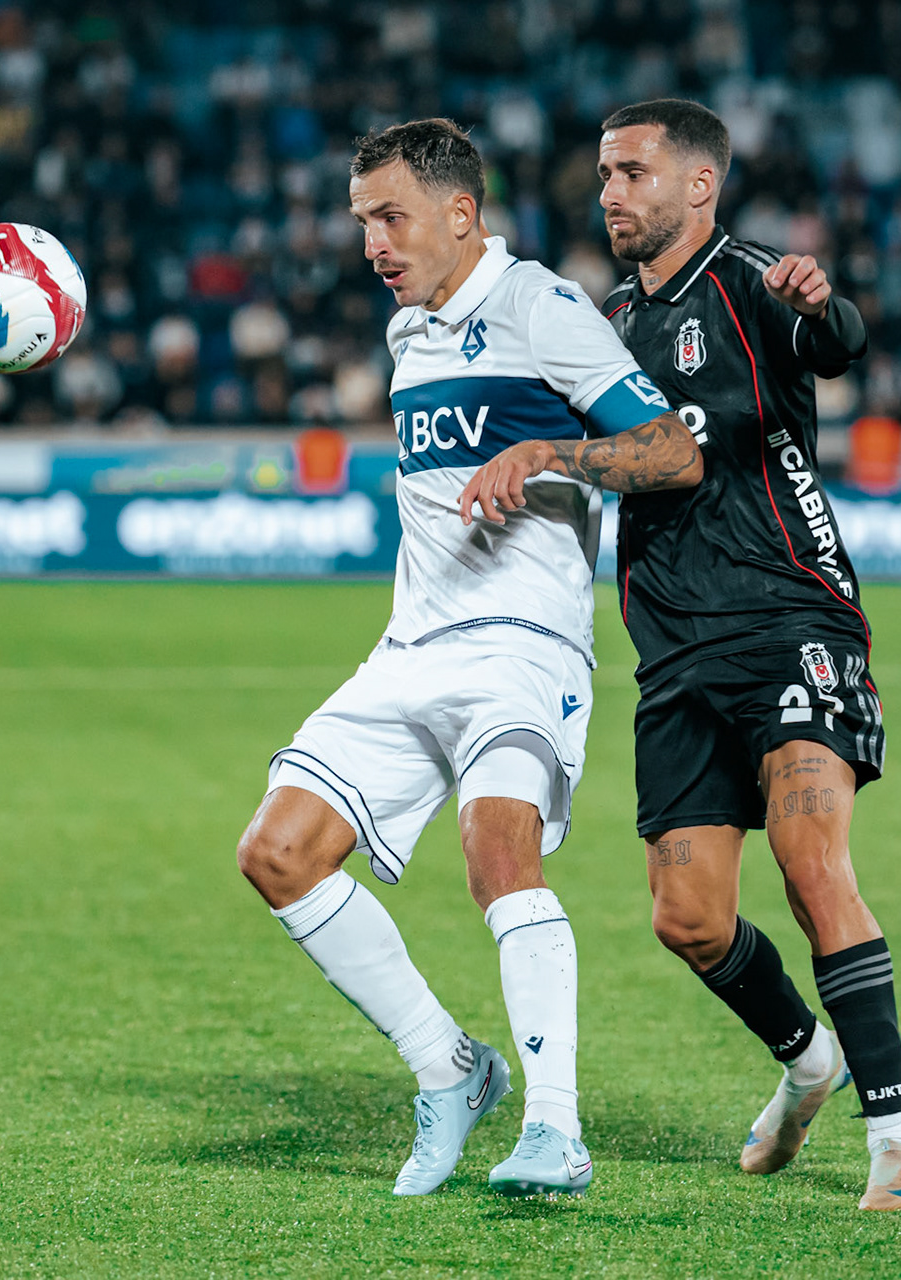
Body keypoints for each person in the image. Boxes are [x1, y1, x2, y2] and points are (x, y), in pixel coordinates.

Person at [458, 98, 901, 1211]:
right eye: (603, 174)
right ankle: (807, 1059)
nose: (611, 193)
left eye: (631, 172)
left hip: (789, 618)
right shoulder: (610, 319)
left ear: (699, 186)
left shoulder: (759, 281)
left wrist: (829, 307)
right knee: (689, 917)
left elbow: (834, 340)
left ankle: (899, 1136)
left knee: (815, 865)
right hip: (672, 651)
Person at [236, 118, 702, 1199]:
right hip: (411, 645)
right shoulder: (409, 335)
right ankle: (450, 1067)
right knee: (278, 850)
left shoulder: (542, 308)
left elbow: (671, 449)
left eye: (390, 218)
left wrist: (552, 451)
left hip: (525, 641)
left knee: (496, 850)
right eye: (362, 223)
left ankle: (556, 1129)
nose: (374, 244)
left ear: (460, 212)